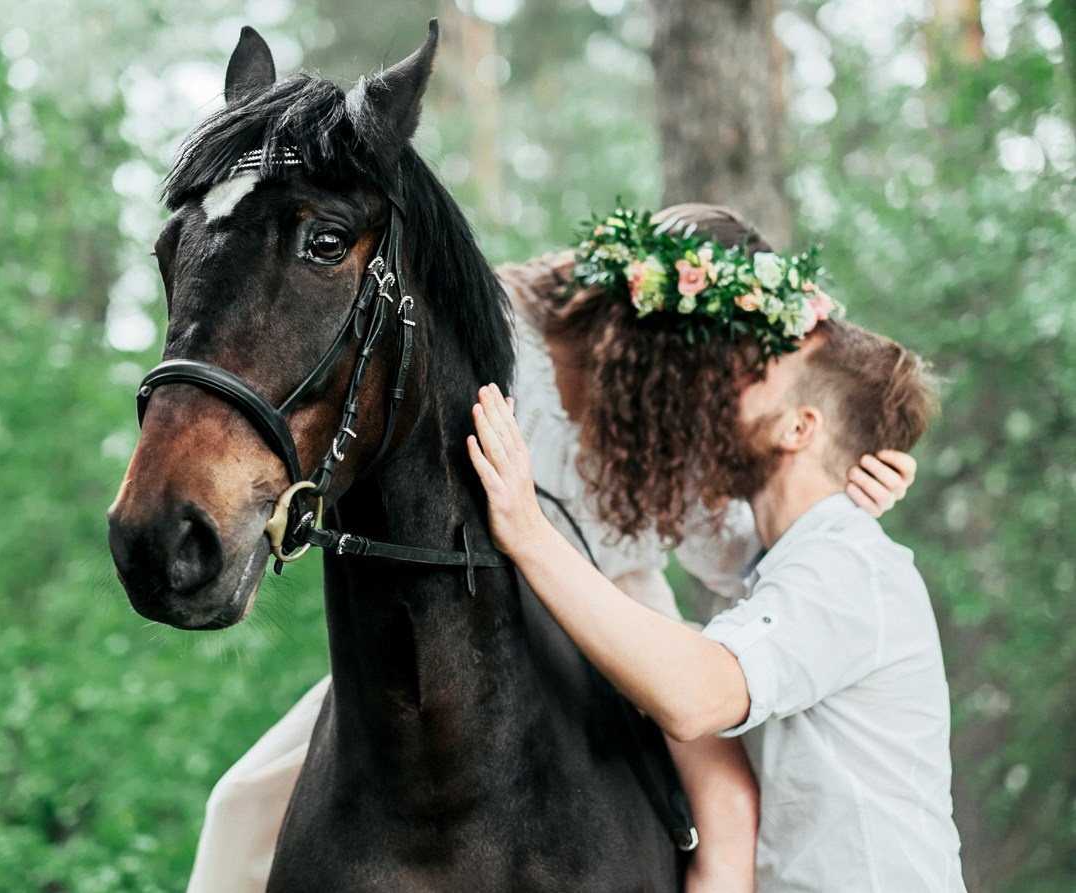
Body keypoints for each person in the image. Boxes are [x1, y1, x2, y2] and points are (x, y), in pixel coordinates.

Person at [185, 205, 920, 893]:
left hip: (619, 597)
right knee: (239, 803)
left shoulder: (688, 419)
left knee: (727, 809)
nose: (715, 386)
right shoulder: (500, 336)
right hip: (472, 602)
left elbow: (742, 554)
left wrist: (842, 490)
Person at [468, 206, 965, 890]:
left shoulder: (847, 565)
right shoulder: (792, 563)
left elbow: (696, 694)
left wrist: (526, 531)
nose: (716, 387)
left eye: (753, 372)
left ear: (799, 427)